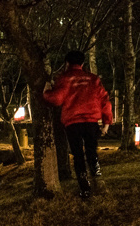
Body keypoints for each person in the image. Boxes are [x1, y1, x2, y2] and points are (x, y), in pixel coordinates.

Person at [43, 50, 113, 198]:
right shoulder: (93, 79)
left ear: (67, 63)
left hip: (73, 123)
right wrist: (106, 123)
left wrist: (46, 92)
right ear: (82, 63)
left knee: (78, 155)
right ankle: (99, 183)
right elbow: (105, 100)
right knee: (92, 153)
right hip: (91, 122)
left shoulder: (65, 78)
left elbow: (57, 99)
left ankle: (85, 188)